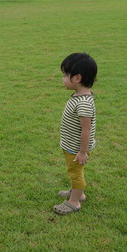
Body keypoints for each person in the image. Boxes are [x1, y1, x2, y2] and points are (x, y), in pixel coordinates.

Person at [53, 53, 97, 214]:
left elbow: (86, 129)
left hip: (76, 149)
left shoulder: (84, 102)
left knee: (76, 174)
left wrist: (83, 152)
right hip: (72, 146)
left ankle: (74, 202)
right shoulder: (80, 97)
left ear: (77, 78)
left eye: (65, 75)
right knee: (75, 172)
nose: (63, 79)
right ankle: (79, 193)